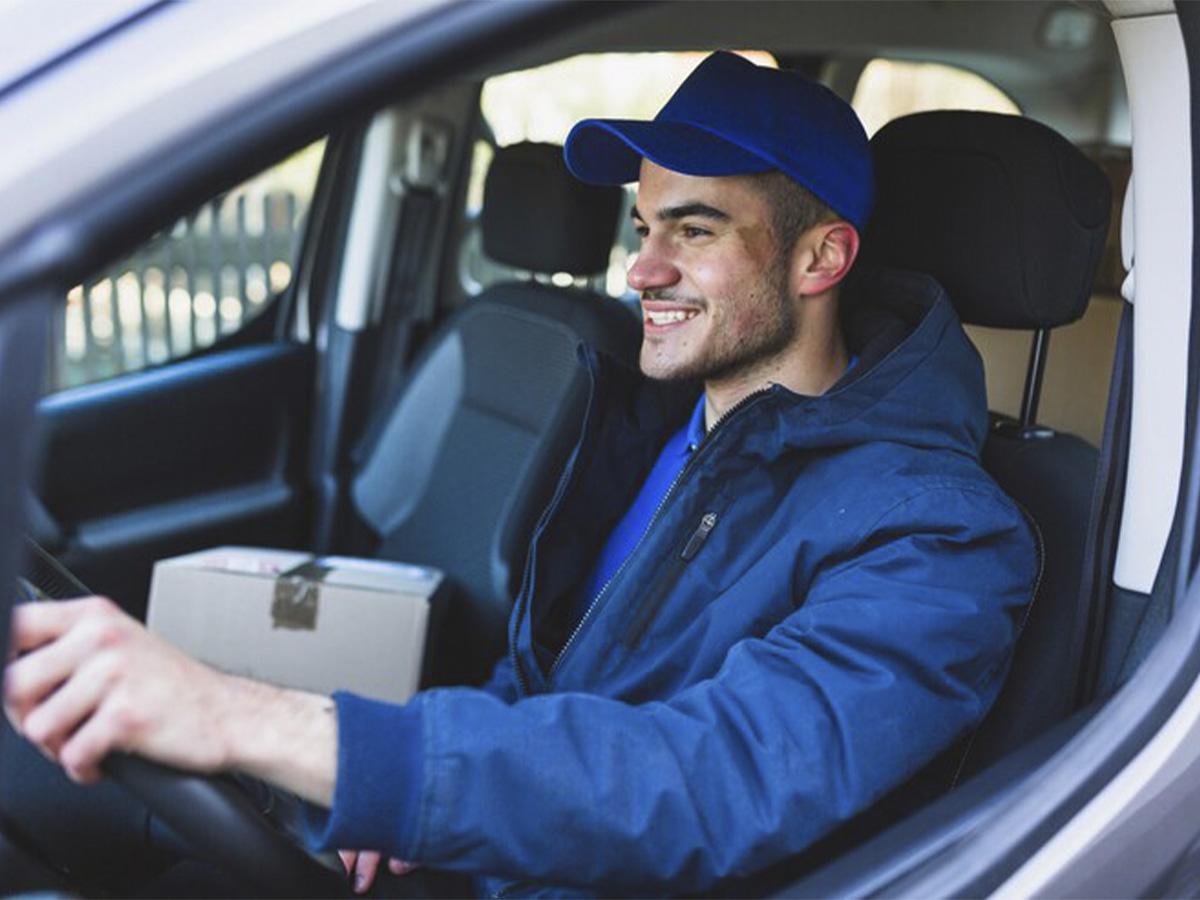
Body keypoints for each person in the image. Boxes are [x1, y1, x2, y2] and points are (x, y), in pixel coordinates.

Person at [3, 52, 1036, 896]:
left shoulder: (940, 538)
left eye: (694, 230)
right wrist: (406, 806)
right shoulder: (660, 421)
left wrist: (249, 719)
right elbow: (551, 672)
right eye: (643, 228)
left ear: (821, 260)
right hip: (509, 855)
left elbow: (712, 781)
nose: (641, 269)